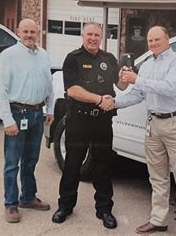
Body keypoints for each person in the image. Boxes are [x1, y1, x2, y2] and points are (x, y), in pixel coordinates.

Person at [115, 26, 176, 235]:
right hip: (153, 125)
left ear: (167, 39)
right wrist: (112, 102)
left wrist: (137, 79)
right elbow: (138, 94)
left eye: (157, 39)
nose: (152, 44)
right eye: (150, 41)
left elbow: (170, 88)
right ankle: (158, 220)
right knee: (157, 177)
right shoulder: (148, 65)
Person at [51, 22, 128, 229]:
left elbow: (120, 85)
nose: (93, 38)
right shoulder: (73, 58)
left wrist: (125, 76)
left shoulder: (109, 59)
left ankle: (104, 208)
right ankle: (65, 206)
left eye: (96, 35)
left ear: (101, 38)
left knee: (103, 165)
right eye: (89, 34)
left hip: (103, 121)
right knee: (72, 165)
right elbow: (73, 90)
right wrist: (98, 99)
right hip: (79, 120)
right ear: (83, 36)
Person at [0, 18, 54, 223]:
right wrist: (7, 120)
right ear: (18, 32)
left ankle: (27, 197)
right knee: (12, 163)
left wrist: (50, 108)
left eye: (33, 32)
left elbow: (49, 84)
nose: (29, 35)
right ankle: (10, 204)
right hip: (17, 114)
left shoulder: (44, 55)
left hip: (37, 115)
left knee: (31, 160)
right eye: (25, 31)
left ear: (38, 33)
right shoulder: (8, 56)